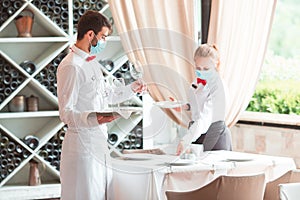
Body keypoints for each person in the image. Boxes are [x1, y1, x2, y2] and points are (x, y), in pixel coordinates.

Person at [56, 10, 145, 200]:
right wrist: (97, 118)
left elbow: (107, 96)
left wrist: (132, 89)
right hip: (82, 146)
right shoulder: (71, 66)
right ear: (90, 35)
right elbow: (66, 113)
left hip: (99, 143)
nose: (104, 41)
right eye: (103, 36)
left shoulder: (92, 63)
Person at [176, 44, 232, 155]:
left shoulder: (218, 87)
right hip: (197, 133)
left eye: (206, 69)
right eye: (198, 68)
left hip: (215, 136)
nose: (201, 72)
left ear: (216, 65)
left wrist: (185, 140)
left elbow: (205, 118)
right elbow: (198, 104)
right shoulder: (197, 81)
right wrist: (185, 106)